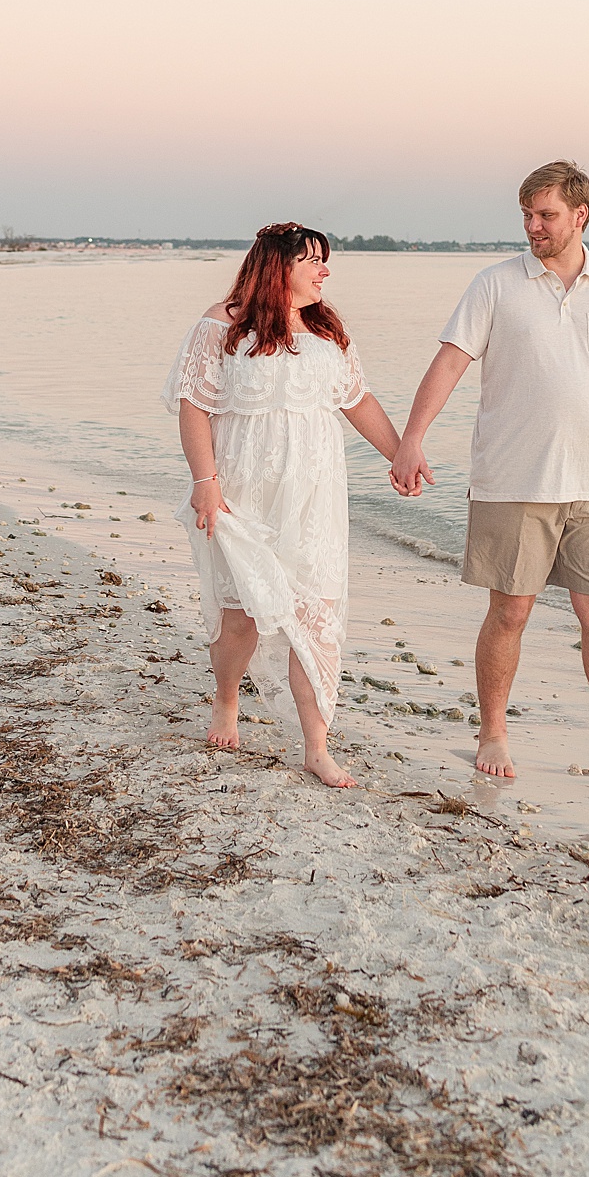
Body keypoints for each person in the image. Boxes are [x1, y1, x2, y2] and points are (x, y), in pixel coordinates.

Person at [389, 161, 589, 798]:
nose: (533, 227)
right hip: (512, 479)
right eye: (527, 215)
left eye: (545, 215)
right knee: (511, 611)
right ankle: (493, 731)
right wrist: (412, 439)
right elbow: (450, 362)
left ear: (581, 216)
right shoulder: (496, 284)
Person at [166, 223, 405, 789]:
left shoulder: (327, 331)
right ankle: (227, 699)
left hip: (316, 497)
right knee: (241, 617)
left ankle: (316, 747)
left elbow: (357, 400)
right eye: (314, 261)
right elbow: (193, 405)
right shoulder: (224, 325)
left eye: (325, 261)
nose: (325, 271)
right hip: (244, 491)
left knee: (316, 619)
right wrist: (206, 481)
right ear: (280, 267)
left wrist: (401, 454)